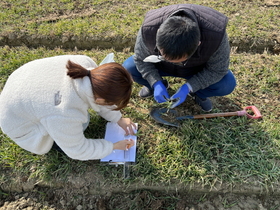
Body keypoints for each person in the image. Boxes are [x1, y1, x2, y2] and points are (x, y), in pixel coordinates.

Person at [0, 54, 136, 160]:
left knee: (79, 121)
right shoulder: (64, 112)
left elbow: (101, 92)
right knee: (82, 125)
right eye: (112, 104)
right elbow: (77, 149)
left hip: (21, 83)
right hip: (18, 124)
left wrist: (118, 119)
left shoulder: (85, 64)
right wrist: (113, 146)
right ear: (100, 100)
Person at [123, 4, 236, 112]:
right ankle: (156, 86)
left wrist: (190, 86)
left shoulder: (216, 35)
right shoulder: (149, 28)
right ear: (158, 34)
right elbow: (140, 59)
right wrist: (154, 82)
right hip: (160, 66)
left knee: (227, 84)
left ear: (198, 44)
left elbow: (217, 70)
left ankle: (198, 93)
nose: (172, 62)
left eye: (179, 60)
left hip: (195, 68)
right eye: (165, 56)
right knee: (129, 67)